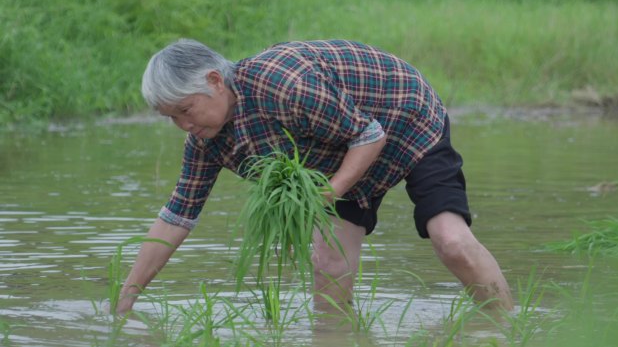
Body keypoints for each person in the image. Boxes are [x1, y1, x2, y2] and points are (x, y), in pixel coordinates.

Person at [115, 39, 513, 314]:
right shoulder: (207, 141)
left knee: (451, 241)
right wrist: (127, 295)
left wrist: (330, 191)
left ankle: (510, 328)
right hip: (339, 152)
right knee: (327, 261)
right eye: (172, 119)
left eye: (186, 110)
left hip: (404, 118)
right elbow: (176, 216)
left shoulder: (283, 85)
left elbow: (369, 133)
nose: (183, 125)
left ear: (215, 82)